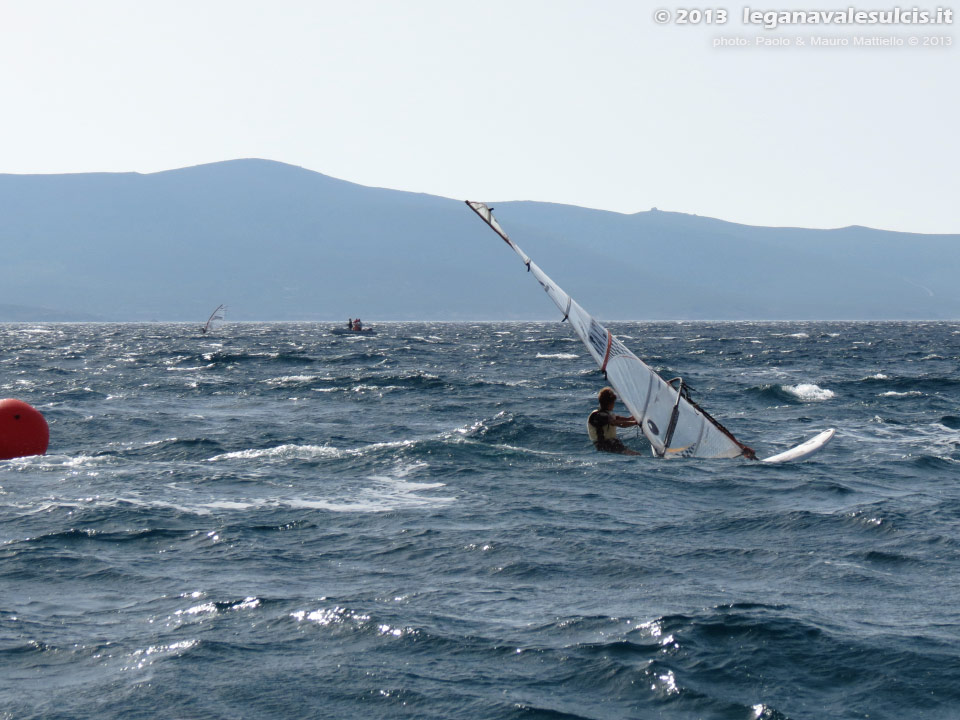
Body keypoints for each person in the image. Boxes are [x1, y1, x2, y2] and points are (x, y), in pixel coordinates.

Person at [587, 387, 641, 455]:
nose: (614, 405)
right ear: (610, 403)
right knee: (634, 454)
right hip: (604, 445)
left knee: (635, 454)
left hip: (612, 443)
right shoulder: (598, 416)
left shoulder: (605, 413)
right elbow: (616, 423)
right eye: (613, 403)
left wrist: (629, 419)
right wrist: (635, 423)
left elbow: (617, 418)